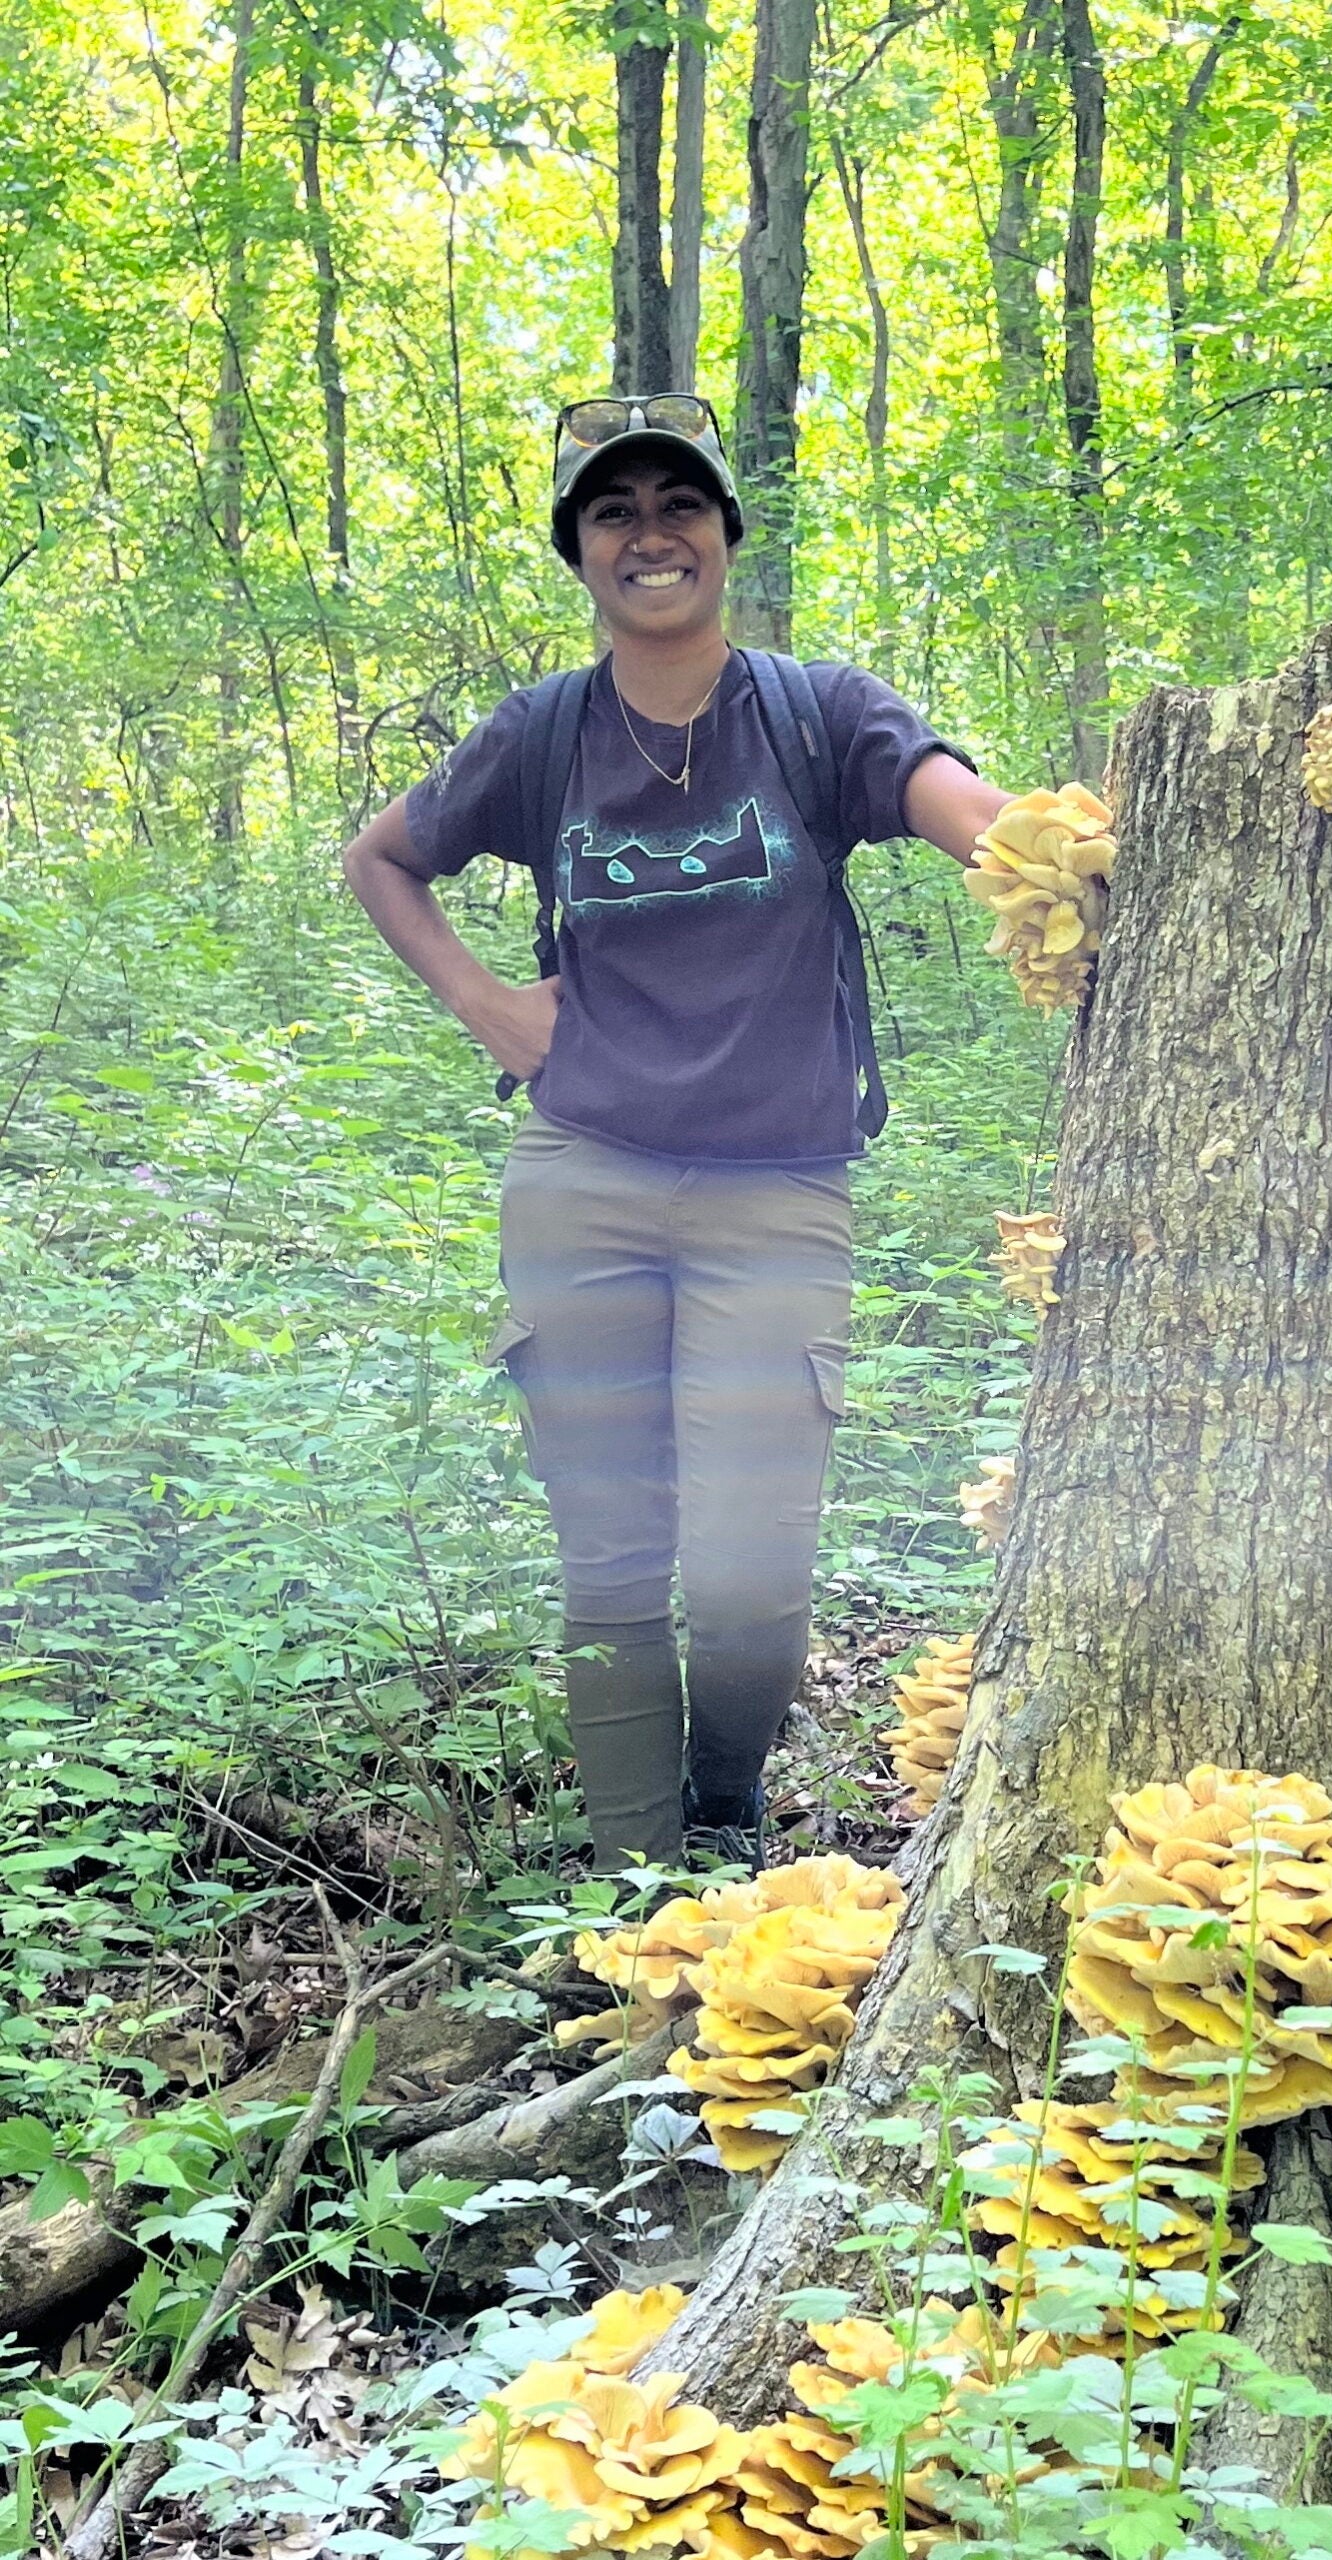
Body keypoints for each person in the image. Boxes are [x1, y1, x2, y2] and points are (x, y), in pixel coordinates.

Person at [341, 393, 1017, 1873]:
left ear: (723, 535)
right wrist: (489, 1008)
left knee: (755, 1567)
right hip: (583, 1177)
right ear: (581, 554)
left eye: (679, 506)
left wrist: (1053, 858)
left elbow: (972, 815)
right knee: (613, 1565)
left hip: (779, 1191)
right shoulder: (541, 735)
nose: (650, 533)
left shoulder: (815, 714)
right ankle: (642, 1882)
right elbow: (379, 858)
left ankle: (722, 1814)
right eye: (613, 512)